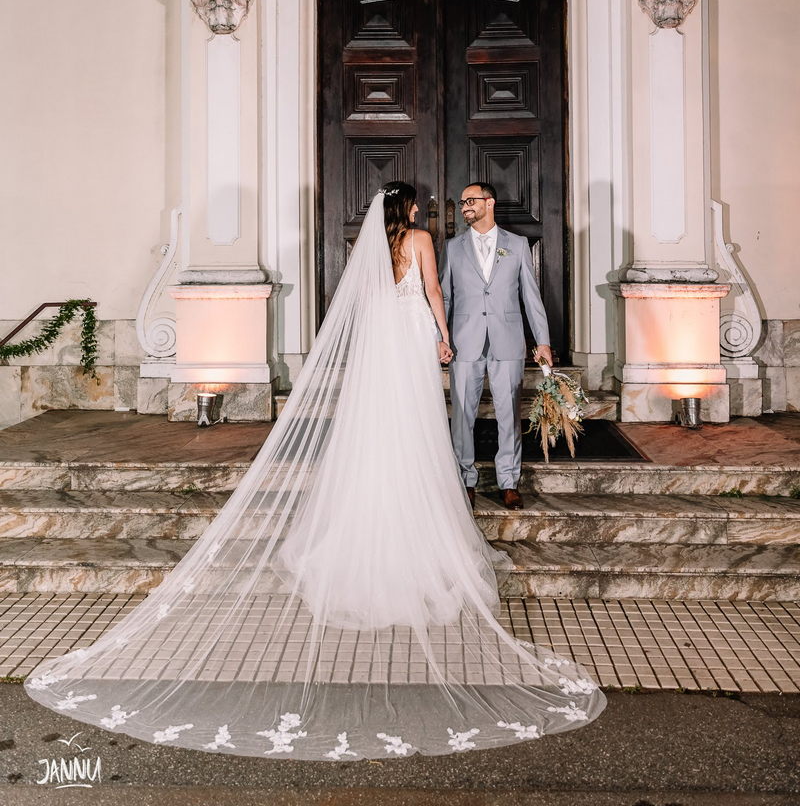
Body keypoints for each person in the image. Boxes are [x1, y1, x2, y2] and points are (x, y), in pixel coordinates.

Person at [25, 183, 604, 760]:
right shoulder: (427, 241)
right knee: (420, 421)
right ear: (408, 208)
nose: (425, 210)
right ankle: (434, 502)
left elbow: (372, 301)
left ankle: (395, 508)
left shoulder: (376, 245)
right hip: (412, 339)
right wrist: (444, 338)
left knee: (382, 424)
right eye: (417, 205)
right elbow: (434, 290)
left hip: (388, 342)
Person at [439, 182, 552, 510]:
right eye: (462, 203)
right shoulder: (452, 247)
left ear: (489, 203)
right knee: (462, 414)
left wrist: (543, 341)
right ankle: (465, 479)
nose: (464, 207)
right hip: (464, 341)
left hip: (508, 340)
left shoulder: (517, 245)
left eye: (470, 201)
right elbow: (444, 297)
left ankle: (509, 481)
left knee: (508, 414)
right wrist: (440, 338)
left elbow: (531, 296)